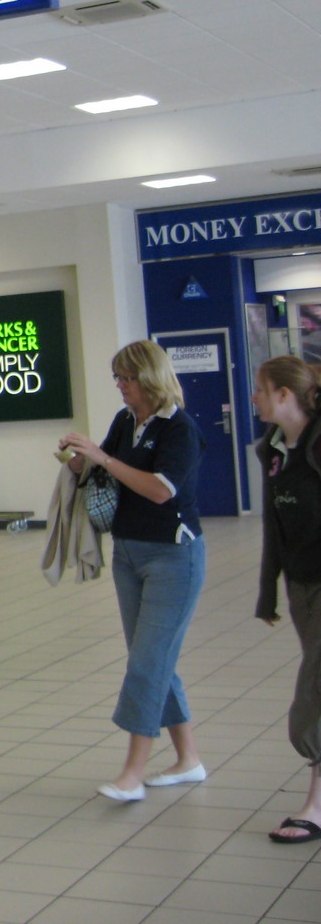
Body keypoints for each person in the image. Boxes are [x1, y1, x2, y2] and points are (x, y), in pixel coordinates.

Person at [60, 339, 207, 802]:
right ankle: (189, 759)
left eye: (126, 378)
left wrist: (104, 459)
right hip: (129, 553)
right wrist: (79, 456)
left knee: (147, 662)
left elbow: (161, 490)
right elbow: (104, 467)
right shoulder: (126, 422)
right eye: (117, 379)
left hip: (173, 556)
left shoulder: (179, 428)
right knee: (154, 659)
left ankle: (132, 772)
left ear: (149, 378)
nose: (120, 387)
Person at [252, 356, 321, 843]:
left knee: (312, 702)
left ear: (283, 395)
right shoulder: (273, 452)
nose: (253, 397)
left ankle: (317, 804)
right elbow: (273, 530)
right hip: (301, 586)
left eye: (260, 389)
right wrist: (267, 592)